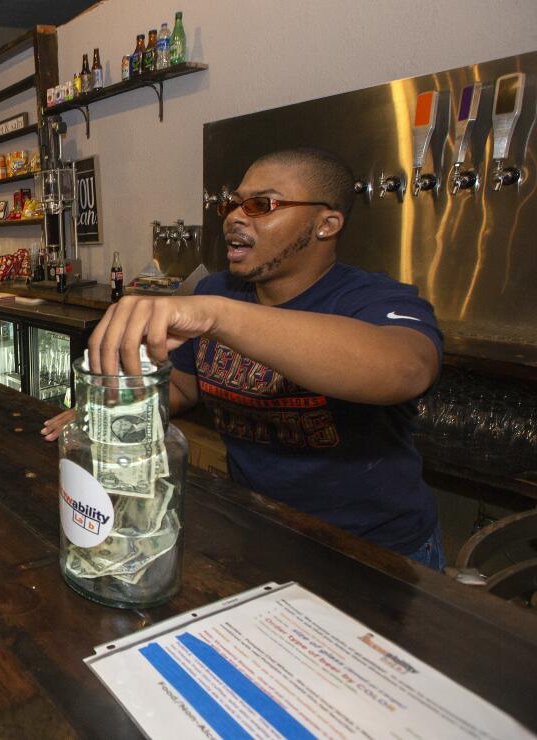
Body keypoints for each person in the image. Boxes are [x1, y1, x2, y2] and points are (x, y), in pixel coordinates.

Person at [43, 147, 445, 570]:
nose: (234, 216)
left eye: (260, 205)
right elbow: (183, 387)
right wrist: (119, 406)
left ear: (326, 224)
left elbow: (406, 368)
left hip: (373, 555)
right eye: (231, 204)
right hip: (261, 531)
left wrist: (217, 314)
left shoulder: (371, 298)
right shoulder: (216, 291)